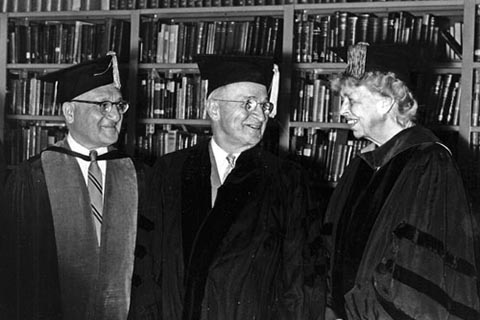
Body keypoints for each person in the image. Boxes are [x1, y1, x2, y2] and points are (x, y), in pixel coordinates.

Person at [148, 55, 326, 320]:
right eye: (248, 104)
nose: (259, 115)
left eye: (265, 106)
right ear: (214, 108)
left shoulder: (289, 179)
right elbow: (150, 269)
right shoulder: (170, 172)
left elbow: (301, 282)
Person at [323, 43, 480, 320]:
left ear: (386, 102)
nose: (342, 110)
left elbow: (421, 274)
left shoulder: (429, 163)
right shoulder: (362, 163)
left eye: (352, 101)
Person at [0, 52, 158, 320]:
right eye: (103, 105)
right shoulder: (32, 176)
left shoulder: (140, 175)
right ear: (69, 112)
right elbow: (14, 274)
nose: (114, 115)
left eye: (119, 106)